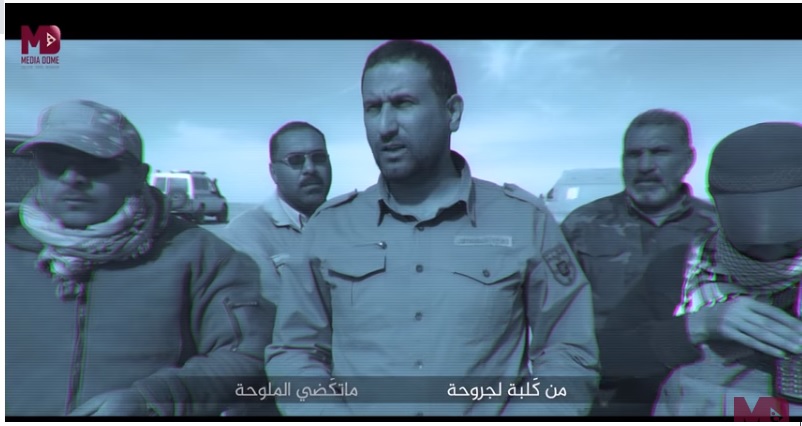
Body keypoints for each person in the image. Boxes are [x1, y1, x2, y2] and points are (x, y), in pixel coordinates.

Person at [265, 39, 600, 416]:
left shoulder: (524, 221)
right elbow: (295, 352)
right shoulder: (328, 228)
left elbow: (569, 353)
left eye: (403, 103)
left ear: (452, 112)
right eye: (373, 108)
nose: (385, 127)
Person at [5, 100, 276, 416]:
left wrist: (154, 401)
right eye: (53, 163)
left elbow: (247, 355)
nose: (72, 178)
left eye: (95, 163)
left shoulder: (203, 256)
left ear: (139, 174)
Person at [560, 108, 718, 415]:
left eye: (659, 152)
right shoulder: (582, 225)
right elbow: (554, 317)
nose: (645, 166)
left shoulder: (718, 229)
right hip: (602, 394)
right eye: (634, 155)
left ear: (688, 160)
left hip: (691, 396)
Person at [643, 122, 802, 416]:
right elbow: (605, 356)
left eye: (789, 244)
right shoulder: (678, 266)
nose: (771, 256)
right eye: (751, 248)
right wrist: (699, 325)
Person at [222, 121, 333, 306]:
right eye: (296, 160)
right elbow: (275, 311)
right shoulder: (245, 234)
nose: (310, 169)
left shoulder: (351, 223)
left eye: (319, 158)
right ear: (273, 172)